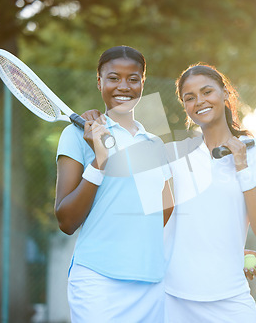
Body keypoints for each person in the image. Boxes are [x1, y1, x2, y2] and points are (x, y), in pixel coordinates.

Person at [54, 45, 173, 322]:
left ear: (143, 83)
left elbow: (166, 213)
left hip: (150, 283)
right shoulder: (76, 134)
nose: (124, 86)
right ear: (99, 81)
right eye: (113, 77)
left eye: (133, 78)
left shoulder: (155, 144)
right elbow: (66, 220)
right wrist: (100, 161)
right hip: (98, 282)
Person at [163, 63, 256, 322]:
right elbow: (165, 226)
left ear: (225, 94)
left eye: (207, 91)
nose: (200, 101)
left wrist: (243, 168)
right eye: (190, 97)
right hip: (173, 298)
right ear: (185, 106)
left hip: (231, 298)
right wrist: (231, 251)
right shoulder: (175, 155)